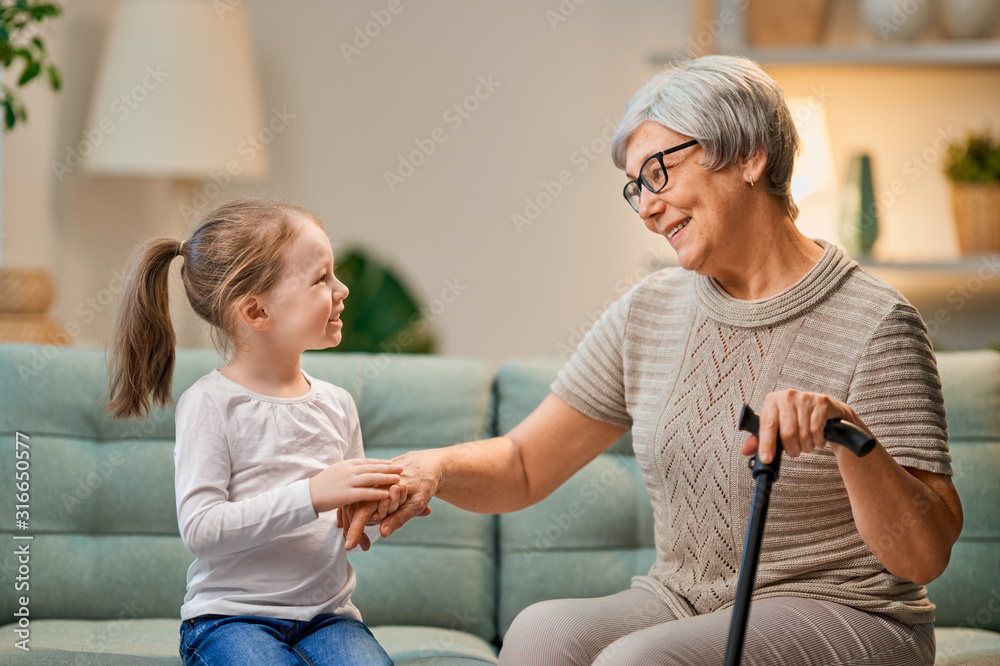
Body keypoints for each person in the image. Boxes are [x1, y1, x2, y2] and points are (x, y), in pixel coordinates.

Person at [342, 56, 963, 665]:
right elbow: (527, 464)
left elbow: (925, 554)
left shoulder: (876, 320)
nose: (646, 208)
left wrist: (846, 433)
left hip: (849, 613)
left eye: (659, 173)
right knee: (539, 633)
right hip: (682, 602)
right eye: (635, 187)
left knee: (637, 662)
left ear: (750, 154)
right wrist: (431, 467)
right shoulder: (649, 312)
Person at [106, 198, 404, 666]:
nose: (341, 288)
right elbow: (202, 529)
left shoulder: (337, 404)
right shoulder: (210, 404)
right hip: (230, 618)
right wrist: (312, 494)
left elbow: (343, 511)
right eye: (321, 278)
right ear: (256, 311)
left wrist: (378, 501)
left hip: (329, 616)